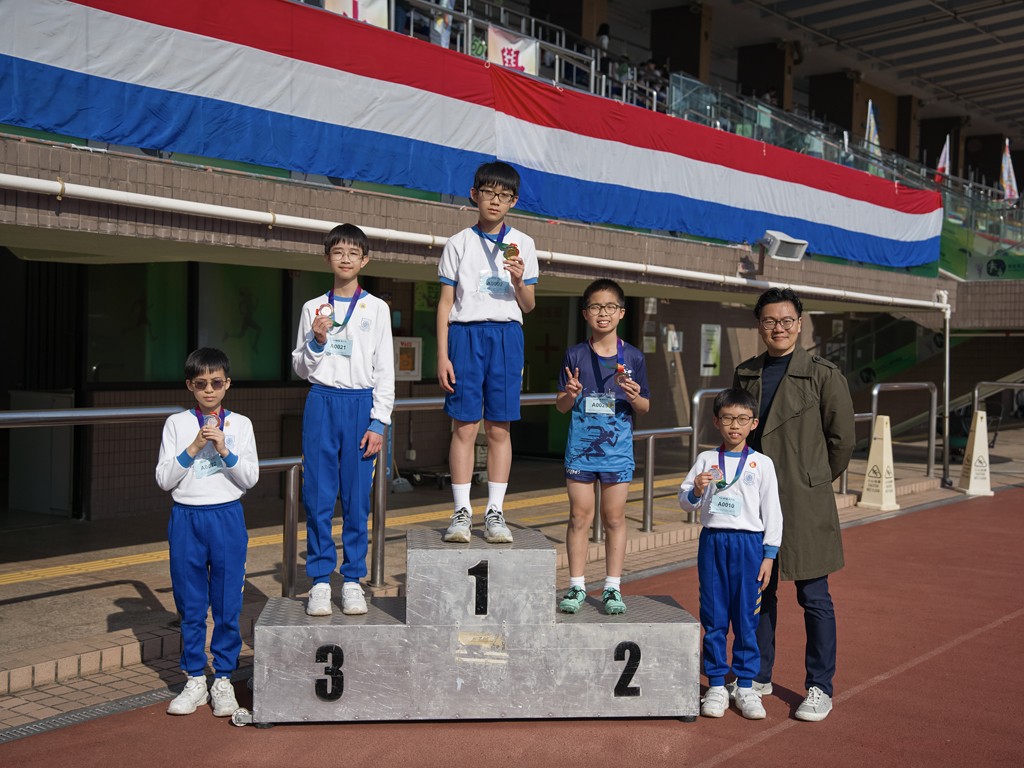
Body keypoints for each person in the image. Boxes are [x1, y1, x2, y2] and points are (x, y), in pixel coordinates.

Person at [733, 287, 855, 722]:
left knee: (814, 595)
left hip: (804, 501)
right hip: (755, 500)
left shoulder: (823, 374)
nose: (779, 328)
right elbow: (735, 429)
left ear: (800, 325)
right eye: (770, 321)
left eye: (787, 321)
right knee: (759, 592)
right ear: (759, 325)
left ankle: (820, 686)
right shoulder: (747, 373)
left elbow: (843, 441)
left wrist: (812, 480)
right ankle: (758, 675)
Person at [293, 223, 395, 617]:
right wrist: (317, 341)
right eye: (339, 252)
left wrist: (379, 421)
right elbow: (300, 368)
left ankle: (352, 579)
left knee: (356, 500)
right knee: (318, 496)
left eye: (354, 253)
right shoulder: (312, 308)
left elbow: (385, 369)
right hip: (321, 401)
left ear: (365, 260)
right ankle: (320, 580)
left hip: (360, 405)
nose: (346, 259)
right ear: (327, 258)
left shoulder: (377, 308)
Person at [436, 161, 538, 544]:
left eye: (504, 195)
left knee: (499, 427)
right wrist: (442, 355)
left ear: (514, 201)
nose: (495, 201)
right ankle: (461, 511)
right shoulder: (458, 243)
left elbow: (528, 305)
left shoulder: (524, 243)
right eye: (489, 192)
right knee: (463, 426)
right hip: (464, 336)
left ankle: (495, 511)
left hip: (507, 335)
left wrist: (518, 279)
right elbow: (445, 303)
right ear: (474, 195)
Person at [155, 347, 259, 716]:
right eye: (201, 384)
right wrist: (195, 446)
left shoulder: (241, 424)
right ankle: (195, 679)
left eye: (216, 382)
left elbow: (250, 478)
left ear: (228, 384)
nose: (209, 390)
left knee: (228, 604)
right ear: (190, 386)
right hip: (186, 517)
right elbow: (164, 479)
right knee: (191, 604)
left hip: (227, 517)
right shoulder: (176, 423)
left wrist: (224, 449)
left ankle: (224, 678)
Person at [679, 388, 782, 719]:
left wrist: (769, 555)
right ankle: (716, 685)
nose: (734, 426)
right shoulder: (706, 459)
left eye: (741, 419)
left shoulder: (761, 463)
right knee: (714, 616)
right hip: (714, 542)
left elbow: (773, 512)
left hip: (749, 546)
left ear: (754, 423)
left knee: (747, 618)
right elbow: (685, 501)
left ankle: (746, 686)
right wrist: (696, 490)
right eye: (727, 418)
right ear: (716, 421)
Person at [556, 279, 649, 615]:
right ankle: (576, 585)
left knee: (614, 517)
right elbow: (561, 406)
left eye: (610, 307)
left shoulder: (634, 357)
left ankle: (612, 587)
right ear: (585, 313)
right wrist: (571, 394)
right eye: (596, 306)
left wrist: (635, 396)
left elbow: (645, 407)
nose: (603, 313)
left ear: (622, 312)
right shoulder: (575, 354)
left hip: (617, 452)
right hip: (580, 451)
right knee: (579, 516)